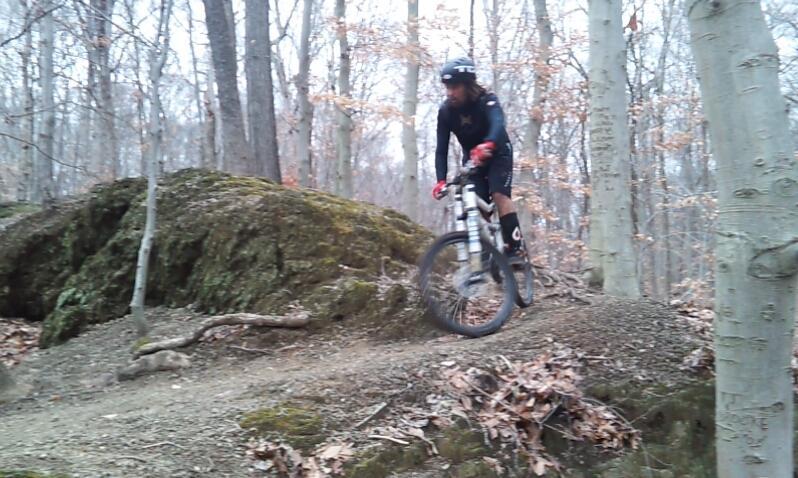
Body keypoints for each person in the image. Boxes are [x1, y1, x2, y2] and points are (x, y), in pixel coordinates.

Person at [432, 57, 525, 262]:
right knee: (477, 206)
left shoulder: (487, 100)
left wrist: (489, 144)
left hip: (498, 152)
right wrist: (440, 180)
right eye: (447, 87)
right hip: (473, 160)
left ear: (467, 85)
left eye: (454, 87)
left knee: (499, 195)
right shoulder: (446, 111)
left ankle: (515, 247)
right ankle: (489, 255)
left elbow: (498, 124)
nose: (450, 92)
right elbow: (441, 148)